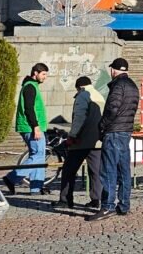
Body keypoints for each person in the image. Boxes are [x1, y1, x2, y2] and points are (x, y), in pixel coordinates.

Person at [87, 58, 139, 221]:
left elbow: (112, 109)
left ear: (113, 70)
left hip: (114, 131)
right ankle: (124, 205)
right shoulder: (133, 86)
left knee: (108, 170)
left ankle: (107, 206)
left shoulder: (118, 85)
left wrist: (102, 126)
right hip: (125, 131)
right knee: (124, 170)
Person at [54, 76, 105, 210]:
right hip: (97, 141)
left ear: (79, 87)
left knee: (68, 170)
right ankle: (96, 199)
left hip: (81, 141)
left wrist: (72, 135)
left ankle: (65, 199)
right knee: (96, 171)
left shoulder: (83, 95)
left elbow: (79, 118)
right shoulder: (99, 95)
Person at [3, 63, 49, 195]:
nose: (45, 77)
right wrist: (35, 126)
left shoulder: (31, 86)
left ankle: (36, 187)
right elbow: (29, 109)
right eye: (43, 74)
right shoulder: (30, 87)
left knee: (38, 155)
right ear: (36, 73)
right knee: (39, 156)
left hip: (32, 127)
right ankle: (11, 178)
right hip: (31, 127)